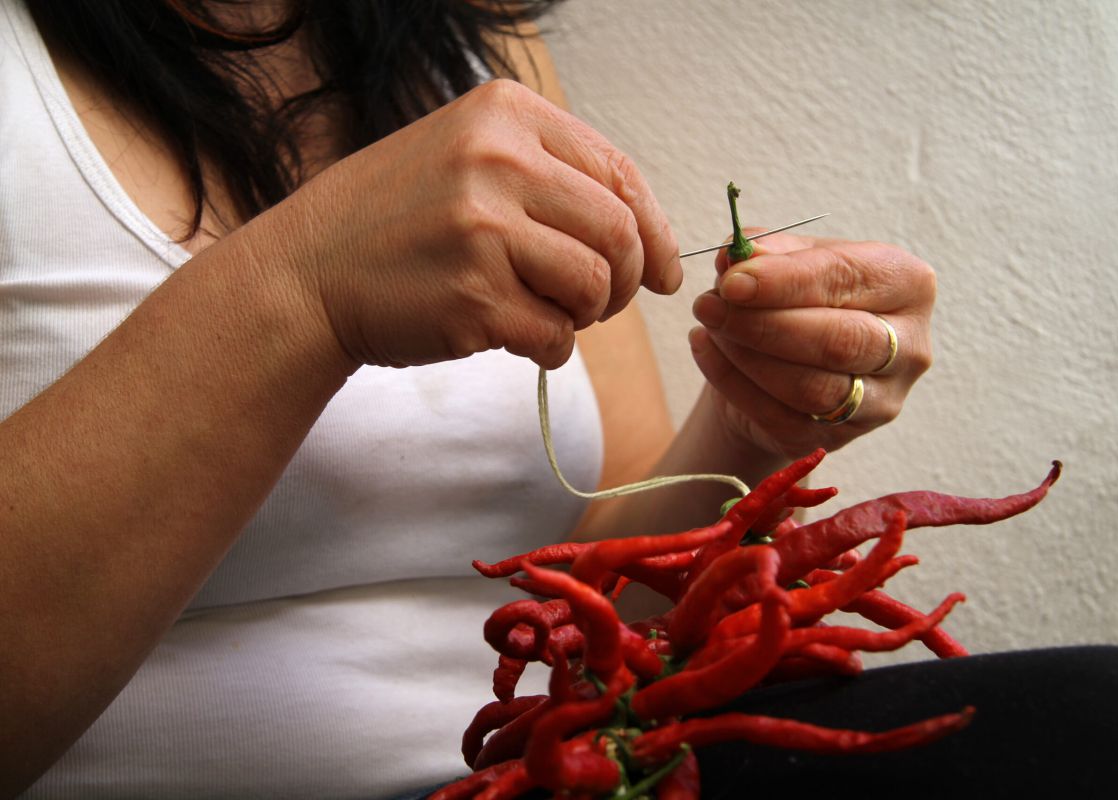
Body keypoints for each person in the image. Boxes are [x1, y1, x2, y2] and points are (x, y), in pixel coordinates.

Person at [0, 1, 940, 796]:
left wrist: (747, 427)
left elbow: (605, 593)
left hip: (542, 771)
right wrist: (305, 289)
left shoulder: (472, 44)